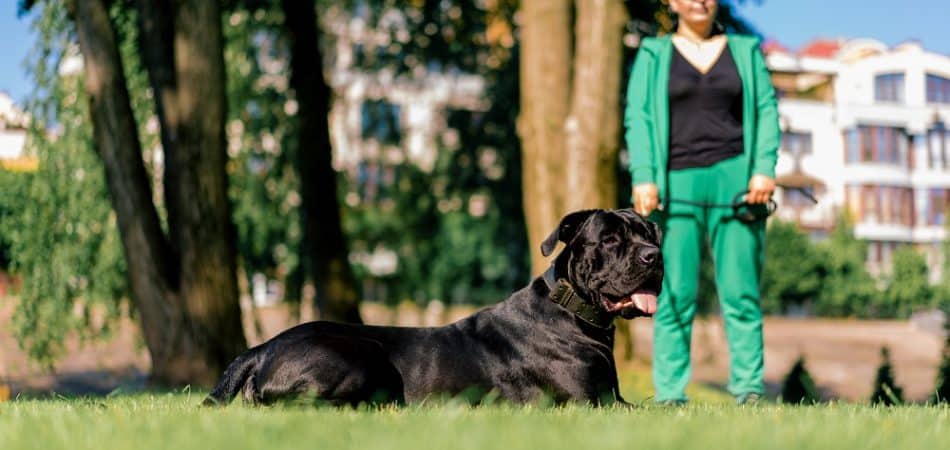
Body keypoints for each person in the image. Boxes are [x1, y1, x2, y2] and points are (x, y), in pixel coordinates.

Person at [623, 0, 779, 405]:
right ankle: (670, 395)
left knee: (741, 292)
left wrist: (763, 168)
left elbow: (765, 109)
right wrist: (644, 175)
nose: (699, 1)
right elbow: (637, 116)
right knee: (673, 293)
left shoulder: (745, 51)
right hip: (673, 184)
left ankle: (748, 390)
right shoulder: (653, 54)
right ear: (672, 3)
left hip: (737, 183)